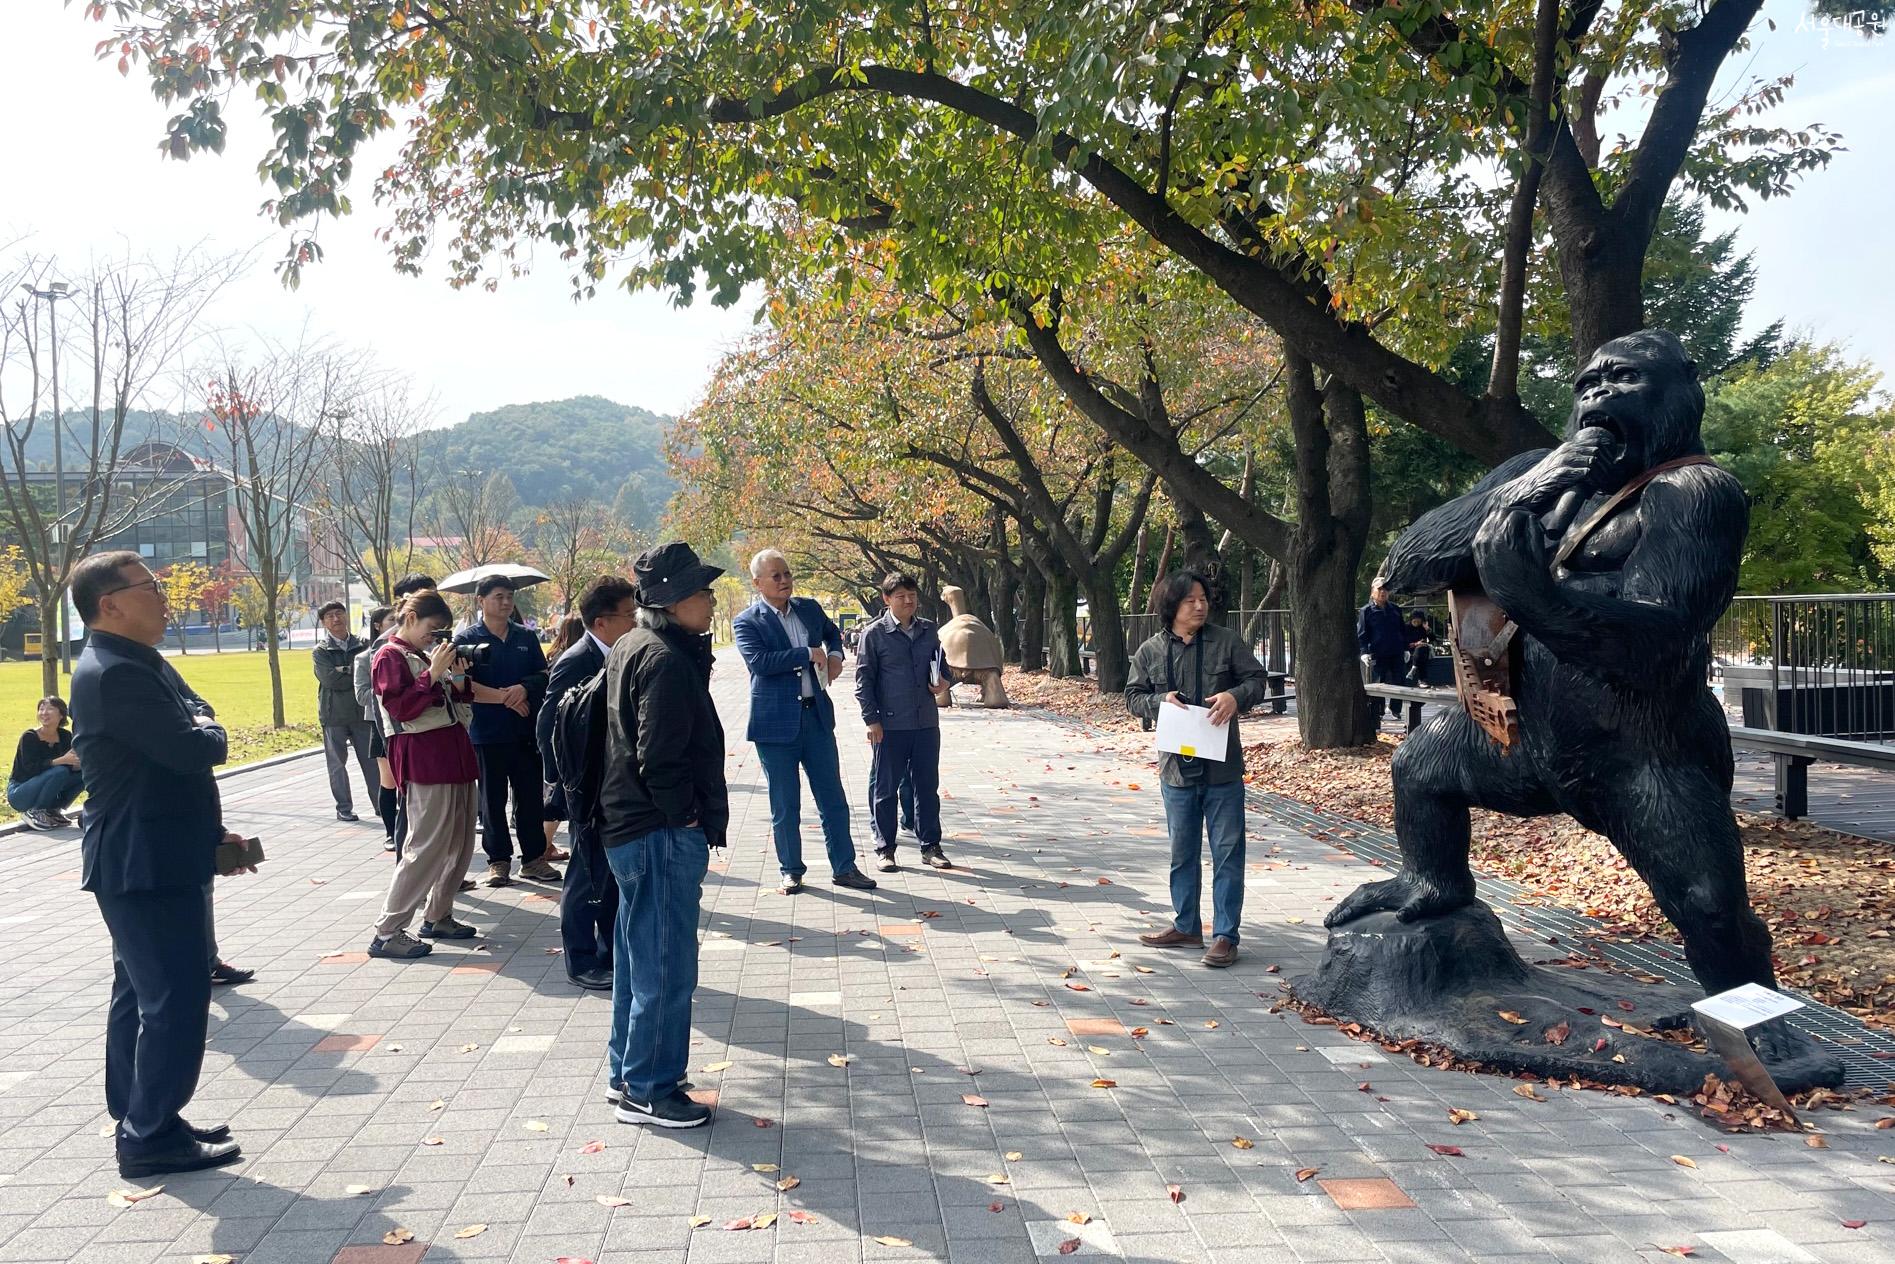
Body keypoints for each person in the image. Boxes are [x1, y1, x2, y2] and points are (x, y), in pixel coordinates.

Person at [68, 550, 243, 1178]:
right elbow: (190, 745)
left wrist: (203, 727)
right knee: (173, 995)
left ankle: (143, 1116)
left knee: (141, 993)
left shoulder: (137, 660)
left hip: (158, 850)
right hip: (144, 859)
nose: (164, 596)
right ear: (108, 604)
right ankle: (148, 1136)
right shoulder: (115, 672)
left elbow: (198, 720)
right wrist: (207, 730)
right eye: (149, 587)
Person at [600, 542, 728, 1127]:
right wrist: (687, 817)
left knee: (638, 957)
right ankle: (650, 1089)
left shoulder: (633, 645)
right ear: (673, 601)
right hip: (656, 830)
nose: (709, 599)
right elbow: (661, 758)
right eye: (701, 592)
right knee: (666, 963)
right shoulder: (666, 661)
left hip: (631, 826)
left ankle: (631, 1072)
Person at [1125, 570, 1271, 969]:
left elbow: (1257, 680)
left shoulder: (1227, 642)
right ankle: (1186, 925)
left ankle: (1225, 935)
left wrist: (1235, 696)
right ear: (1171, 606)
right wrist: (1159, 702)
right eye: (1190, 599)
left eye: (1203, 598)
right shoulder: (1151, 650)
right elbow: (1132, 696)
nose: (1200, 605)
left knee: (1227, 852)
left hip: (1222, 769)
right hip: (1176, 771)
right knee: (1181, 852)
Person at [732, 548, 876, 894]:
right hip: (775, 724)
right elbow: (760, 663)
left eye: (787, 574)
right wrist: (806, 654)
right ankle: (791, 870)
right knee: (785, 804)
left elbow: (832, 633)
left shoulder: (808, 608)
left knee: (833, 798)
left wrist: (837, 656)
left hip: (816, 716)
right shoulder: (747, 621)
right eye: (775, 576)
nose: (784, 581)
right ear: (758, 583)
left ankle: (845, 867)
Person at [367, 590, 481, 958]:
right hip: (424, 759)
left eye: (440, 632)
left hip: (454, 755)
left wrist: (457, 679)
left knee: (460, 842)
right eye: (432, 629)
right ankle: (388, 930)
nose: (435, 638)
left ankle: (439, 915)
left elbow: (456, 706)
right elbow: (402, 708)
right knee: (426, 846)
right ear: (411, 617)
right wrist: (432, 673)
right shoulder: (389, 656)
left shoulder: (422, 655)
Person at [537, 581, 635, 991]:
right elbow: (549, 726)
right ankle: (579, 959)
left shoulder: (620, 653)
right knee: (584, 874)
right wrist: (565, 782)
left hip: (613, 784)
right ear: (601, 622)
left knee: (609, 875)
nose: (635, 621)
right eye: (629, 616)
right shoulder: (578, 660)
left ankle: (609, 953)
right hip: (586, 787)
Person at [457, 576, 560, 886]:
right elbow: (462, 685)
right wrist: (505, 697)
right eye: (498, 596)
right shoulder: (466, 641)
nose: (505, 602)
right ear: (481, 601)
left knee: (529, 798)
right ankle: (498, 860)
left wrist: (522, 689)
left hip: (525, 729)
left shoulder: (526, 638)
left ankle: (533, 859)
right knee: (491, 799)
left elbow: (543, 675)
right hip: (487, 732)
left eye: (509, 596)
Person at [854, 573, 953, 871]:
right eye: (900, 596)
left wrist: (943, 682)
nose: (908, 601)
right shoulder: (874, 634)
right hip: (890, 725)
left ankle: (931, 846)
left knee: (926, 787)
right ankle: (885, 848)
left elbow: (944, 667)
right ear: (886, 600)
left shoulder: (928, 630)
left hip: (925, 722)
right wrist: (872, 720)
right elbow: (863, 681)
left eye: (912, 594)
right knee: (886, 789)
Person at [313, 599, 377, 823]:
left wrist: (344, 670)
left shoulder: (364, 644)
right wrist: (355, 673)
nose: (336, 619)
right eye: (329, 616)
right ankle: (344, 807)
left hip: (361, 713)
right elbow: (331, 680)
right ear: (323, 622)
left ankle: (381, 805)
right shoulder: (321, 651)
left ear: (346, 615)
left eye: (339, 613)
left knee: (372, 762)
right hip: (334, 715)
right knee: (337, 765)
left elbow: (372, 674)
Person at [354, 605, 400, 845]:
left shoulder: (407, 653)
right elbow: (362, 696)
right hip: (380, 723)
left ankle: (409, 829)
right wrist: (389, 687)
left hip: (407, 722)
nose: (397, 623)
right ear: (377, 626)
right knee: (389, 779)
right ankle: (391, 832)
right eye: (392, 619)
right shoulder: (363, 658)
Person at [9, 695, 83, 830]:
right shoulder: (29, 737)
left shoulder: (66, 736)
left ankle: (52, 810)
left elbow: (68, 769)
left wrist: (78, 765)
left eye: (50, 709)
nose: (44, 713)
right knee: (59, 771)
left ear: (61, 714)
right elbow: (30, 769)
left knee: (84, 774)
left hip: (48, 786)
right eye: (41, 709)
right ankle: (36, 811)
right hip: (20, 791)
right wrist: (60, 761)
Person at [1357, 583, 1409, 719]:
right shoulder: (1366, 611)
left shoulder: (1396, 609)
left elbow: (1402, 630)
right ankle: (1377, 711)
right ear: (1373, 592)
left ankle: (1395, 708)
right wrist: (1364, 652)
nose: (1383, 592)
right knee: (1378, 682)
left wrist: (1406, 649)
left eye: (1386, 589)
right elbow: (1362, 634)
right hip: (1377, 652)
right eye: (1379, 589)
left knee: (1399, 679)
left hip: (1396, 650)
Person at [1404, 611, 1434, 687]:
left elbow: (1433, 639)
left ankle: (1413, 669)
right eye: (1414, 619)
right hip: (1409, 650)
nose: (1416, 621)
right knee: (1421, 656)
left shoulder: (1423, 628)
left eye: (1419, 619)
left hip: (1422, 649)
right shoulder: (1406, 627)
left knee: (1422, 649)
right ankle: (1422, 680)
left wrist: (1427, 629)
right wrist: (1415, 644)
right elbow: (1402, 643)